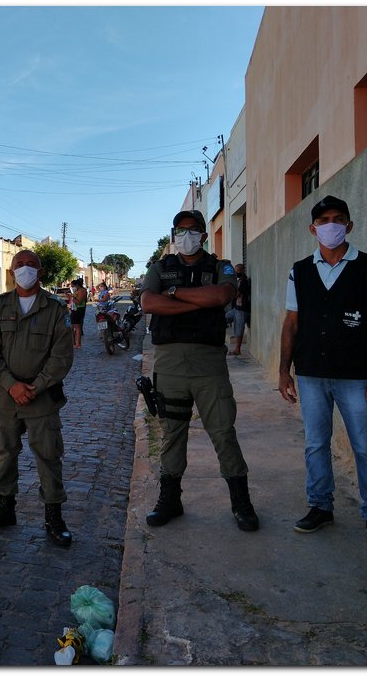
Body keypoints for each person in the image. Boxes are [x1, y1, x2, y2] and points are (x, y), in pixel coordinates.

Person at [278, 195, 367, 548]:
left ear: (349, 225)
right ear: (313, 229)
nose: (331, 225)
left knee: (365, 446)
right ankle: (320, 506)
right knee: (315, 444)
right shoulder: (299, 270)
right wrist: (284, 371)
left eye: (338, 219)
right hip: (311, 373)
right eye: (324, 220)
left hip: (357, 376)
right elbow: (291, 324)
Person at [140, 209, 259, 532]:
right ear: (173, 235)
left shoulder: (219, 267)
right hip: (170, 365)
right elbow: (149, 303)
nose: (187, 236)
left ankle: (241, 503)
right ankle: (170, 500)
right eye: (181, 231)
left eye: (193, 230)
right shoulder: (160, 268)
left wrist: (175, 295)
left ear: (204, 236)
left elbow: (223, 295)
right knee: (172, 434)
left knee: (223, 432)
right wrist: (199, 302)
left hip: (209, 365)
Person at [0, 250, 75, 547]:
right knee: (4, 453)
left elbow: (62, 356)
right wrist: (11, 385)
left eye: (32, 265)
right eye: (20, 265)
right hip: (5, 398)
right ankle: (4, 508)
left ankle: (54, 517)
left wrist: (36, 386)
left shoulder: (56, 309)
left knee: (48, 456)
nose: (26, 269)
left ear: (40, 272)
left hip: (42, 400)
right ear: (11, 271)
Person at [226, 263, 251, 355]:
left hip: (241, 309)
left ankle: (237, 349)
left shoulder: (244, 282)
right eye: (236, 272)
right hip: (236, 308)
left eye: (238, 271)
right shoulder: (239, 281)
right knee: (223, 318)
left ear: (243, 270)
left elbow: (237, 295)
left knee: (238, 328)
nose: (237, 273)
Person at [69, 278, 88, 348]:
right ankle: (75, 343)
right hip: (75, 309)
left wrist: (72, 297)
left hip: (78, 310)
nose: (72, 287)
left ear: (77, 285)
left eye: (72, 286)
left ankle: (78, 344)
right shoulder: (78, 291)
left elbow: (79, 301)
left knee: (77, 327)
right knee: (73, 326)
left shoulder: (82, 291)